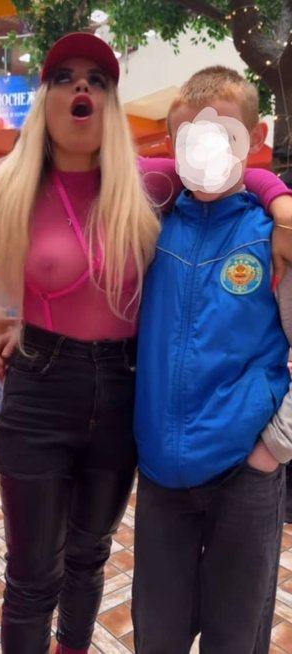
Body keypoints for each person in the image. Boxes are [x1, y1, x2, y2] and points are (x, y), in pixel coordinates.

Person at [0, 33, 292, 654]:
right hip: (53, 391)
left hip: (136, 400)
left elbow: (244, 174)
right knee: (34, 573)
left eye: (97, 79)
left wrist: (281, 203)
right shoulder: (12, 184)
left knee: (92, 557)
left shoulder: (150, 184)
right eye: (65, 77)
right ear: (45, 98)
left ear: (109, 102)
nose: (82, 87)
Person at [132, 66, 292, 654]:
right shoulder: (150, 229)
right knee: (157, 637)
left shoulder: (273, 237)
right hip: (160, 477)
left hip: (243, 475)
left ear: (254, 138)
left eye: (223, 138)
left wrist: (274, 446)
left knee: (235, 639)